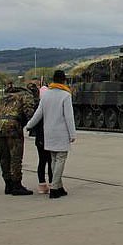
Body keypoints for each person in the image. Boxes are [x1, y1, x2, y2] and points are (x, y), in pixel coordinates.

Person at [25, 70, 76, 199]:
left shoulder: (46, 95)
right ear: (64, 80)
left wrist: (29, 125)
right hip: (61, 132)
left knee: (53, 159)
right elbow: (69, 117)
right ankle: (54, 187)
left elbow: (38, 113)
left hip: (48, 132)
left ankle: (58, 187)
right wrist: (72, 133)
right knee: (60, 159)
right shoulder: (65, 95)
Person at [0, 84, 38, 195]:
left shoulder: (6, 96)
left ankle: (8, 184)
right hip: (13, 127)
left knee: (4, 157)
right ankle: (16, 185)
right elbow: (29, 113)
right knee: (15, 157)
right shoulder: (26, 96)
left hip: (0, 126)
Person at [27, 82, 52, 194]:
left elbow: (33, 120)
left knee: (42, 161)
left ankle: (42, 184)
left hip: (40, 138)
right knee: (51, 161)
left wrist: (28, 127)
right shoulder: (50, 107)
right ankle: (52, 184)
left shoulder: (38, 106)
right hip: (50, 137)